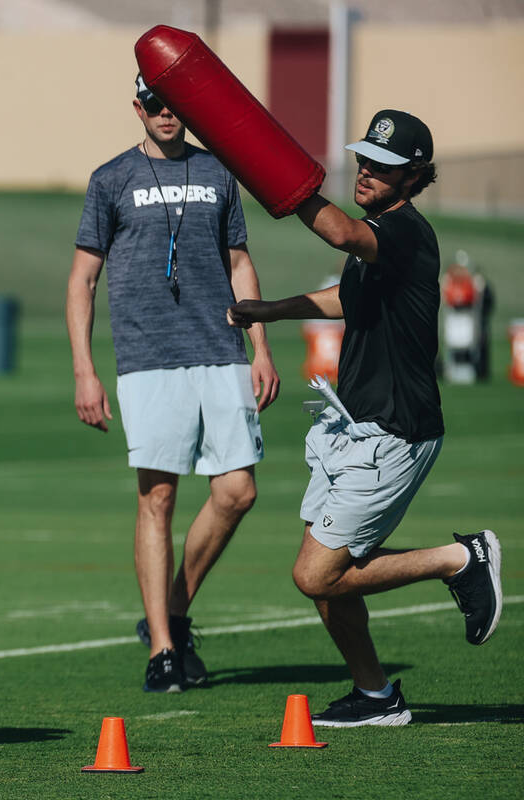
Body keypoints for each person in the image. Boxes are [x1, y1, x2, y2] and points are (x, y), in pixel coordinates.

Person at [227, 110, 502, 726]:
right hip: (353, 424)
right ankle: (376, 696)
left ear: (414, 177)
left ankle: (461, 559)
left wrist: (285, 187)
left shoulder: (403, 233)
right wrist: (270, 310)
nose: (368, 170)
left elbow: (344, 236)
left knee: (315, 575)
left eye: (385, 165)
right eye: (365, 158)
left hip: (394, 429)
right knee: (331, 580)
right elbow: (344, 294)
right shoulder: (381, 231)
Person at [66, 74, 280, 693]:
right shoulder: (111, 179)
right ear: (137, 107)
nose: (165, 113)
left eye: (174, 104)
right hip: (147, 357)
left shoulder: (218, 173)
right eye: (153, 103)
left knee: (238, 491)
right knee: (157, 497)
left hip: (221, 349)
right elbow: (82, 281)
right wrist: (86, 369)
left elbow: (239, 261)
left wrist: (261, 347)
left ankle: (173, 611)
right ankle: (163, 649)